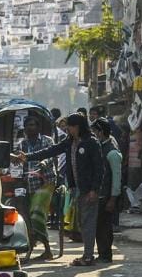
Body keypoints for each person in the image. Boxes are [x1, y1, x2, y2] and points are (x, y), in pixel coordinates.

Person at [14, 113, 103, 266]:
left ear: (78, 127)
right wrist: (27, 157)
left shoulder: (91, 143)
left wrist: (95, 190)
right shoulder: (69, 142)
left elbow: (99, 168)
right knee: (82, 222)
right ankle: (87, 255)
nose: (68, 129)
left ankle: (88, 257)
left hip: (89, 190)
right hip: (77, 189)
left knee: (88, 223)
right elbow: (51, 151)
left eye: (70, 126)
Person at [16, 116, 56, 260]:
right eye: (27, 125)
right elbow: (18, 161)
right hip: (28, 185)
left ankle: (41, 249)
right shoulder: (22, 144)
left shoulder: (47, 141)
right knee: (23, 215)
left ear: (38, 128)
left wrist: (45, 162)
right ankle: (42, 248)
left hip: (46, 182)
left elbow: (51, 156)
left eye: (33, 124)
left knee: (35, 215)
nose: (30, 127)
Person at [93, 118, 122, 263]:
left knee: (105, 227)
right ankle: (102, 253)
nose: (94, 134)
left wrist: (113, 198)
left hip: (108, 196)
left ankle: (105, 255)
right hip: (101, 194)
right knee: (100, 226)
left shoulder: (112, 152)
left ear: (101, 132)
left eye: (95, 131)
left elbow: (117, 178)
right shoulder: (102, 147)